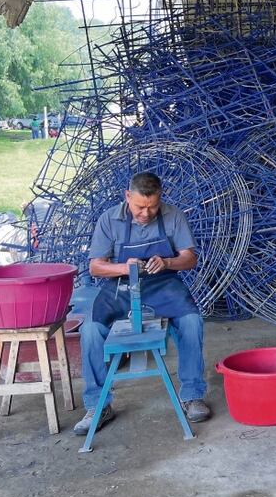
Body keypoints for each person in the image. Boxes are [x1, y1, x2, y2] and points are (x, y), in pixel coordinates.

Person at [75, 172, 211, 434]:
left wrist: (168, 262)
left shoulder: (173, 216)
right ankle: (98, 405)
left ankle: (192, 395)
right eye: (140, 207)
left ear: (161, 198)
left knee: (192, 321)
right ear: (128, 197)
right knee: (91, 330)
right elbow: (95, 267)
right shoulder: (109, 220)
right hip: (120, 287)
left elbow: (190, 258)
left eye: (152, 206)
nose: (146, 214)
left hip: (163, 285)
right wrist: (122, 267)